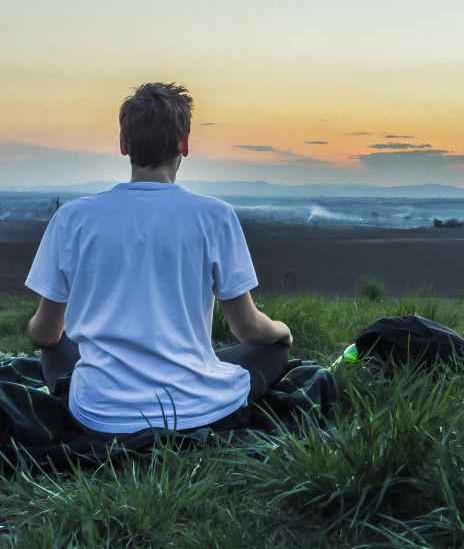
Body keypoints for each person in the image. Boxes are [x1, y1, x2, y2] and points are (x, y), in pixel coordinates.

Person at [24, 82, 292, 436]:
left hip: (99, 414)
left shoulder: (72, 218)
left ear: (124, 145)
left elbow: (43, 335)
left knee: (57, 344)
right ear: (183, 144)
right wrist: (282, 332)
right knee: (272, 351)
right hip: (197, 409)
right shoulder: (215, 215)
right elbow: (249, 330)